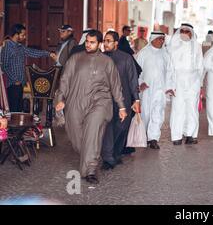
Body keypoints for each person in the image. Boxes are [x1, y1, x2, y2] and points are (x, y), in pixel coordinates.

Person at [55, 30, 127, 184]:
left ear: (99, 43)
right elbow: (65, 80)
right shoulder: (75, 59)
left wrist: (121, 106)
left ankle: (91, 170)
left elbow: (116, 85)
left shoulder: (107, 62)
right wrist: (61, 98)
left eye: (92, 42)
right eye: (87, 41)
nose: (88, 44)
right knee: (76, 136)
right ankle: (90, 156)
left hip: (100, 102)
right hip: (76, 101)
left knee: (93, 133)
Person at [101, 31, 140, 170]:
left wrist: (136, 100)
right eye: (104, 41)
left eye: (108, 41)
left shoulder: (126, 58)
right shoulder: (100, 58)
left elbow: (132, 79)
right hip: (105, 100)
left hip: (124, 99)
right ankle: (108, 157)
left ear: (116, 43)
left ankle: (115, 154)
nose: (105, 44)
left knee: (121, 127)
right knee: (107, 128)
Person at [1, 24, 55, 112]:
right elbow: (4, 67)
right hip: (13, 84)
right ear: (16, 34)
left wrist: (48, 54)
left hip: (20, 83)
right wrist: (15, 80)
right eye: (22, 34)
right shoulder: (7, 46)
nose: (24, 37)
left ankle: (18, 125)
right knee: (13, 110)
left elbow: (33, 52)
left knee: (19, 110)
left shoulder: (20, 47)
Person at [136, 31, 175, 149]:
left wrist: (169, 87)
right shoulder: (143, 53)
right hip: (146, 90)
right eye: (159, 39)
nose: (161, 41)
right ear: (152, 39)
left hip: (160, 89)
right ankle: (145, 135)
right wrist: (140, 83)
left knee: (157, 114)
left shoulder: (166, 54)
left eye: (163, 39)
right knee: (146, 114)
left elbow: (170, 72)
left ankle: (153, 138)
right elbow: (136, 72)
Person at [167, 23, 203, 145]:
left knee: (192, 109)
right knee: (178, 109)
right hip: (178, 82)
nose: (184, 33)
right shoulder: (173, 46)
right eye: (182, 31)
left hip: (193, 83)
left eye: (187, 31)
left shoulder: (197, 46)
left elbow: (200, 66)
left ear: (191, 33)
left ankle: (191, 135)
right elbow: (169, 67)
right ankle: (176, 136)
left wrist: (200, 83)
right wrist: (170, 85)